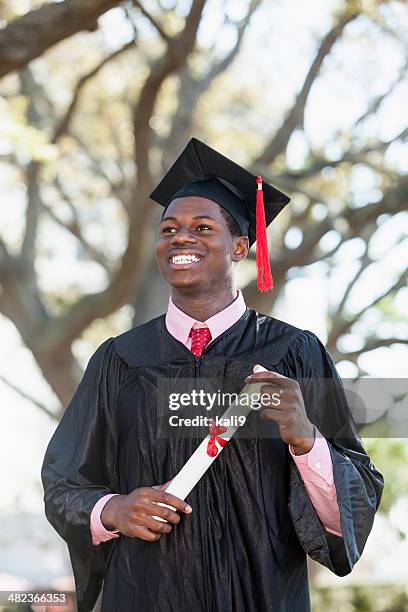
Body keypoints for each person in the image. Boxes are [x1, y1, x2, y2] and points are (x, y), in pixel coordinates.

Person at [41, 138, 384, 612]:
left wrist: (306, 439)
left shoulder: (293, 353)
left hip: (260, 596)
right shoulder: (120, 359)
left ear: (241, 246)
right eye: (169, 229)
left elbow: (356, 497)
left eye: (202, 227)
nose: (180, 238)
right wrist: (113, 510)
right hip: (145, 596)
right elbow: (63, 485)